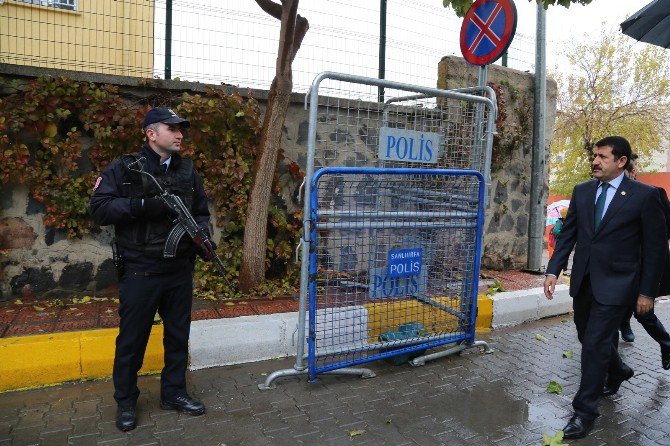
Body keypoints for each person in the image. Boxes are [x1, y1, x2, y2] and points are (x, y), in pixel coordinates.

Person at [90, 107, 211, 432]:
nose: (179, 134)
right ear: (151, 133)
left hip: (179, 270)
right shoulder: (125, 168)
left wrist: (204, 236)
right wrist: (142, 206)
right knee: (132, 340)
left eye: (181, 128)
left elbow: (201, 211)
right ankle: (126, 401)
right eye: (171, 128)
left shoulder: (188, 171)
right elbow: (99, 208)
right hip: (140, 270)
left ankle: (173, 393)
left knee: (177, 337)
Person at [543, 136, 668, 440]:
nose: (595, 161)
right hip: (584, 280)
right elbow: (569, 234)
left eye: (602, 156)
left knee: (596, 344)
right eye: (594, 156)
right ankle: (620, 370)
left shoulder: (645, 195)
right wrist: (552, 269)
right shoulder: (583, 192)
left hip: (619, 284)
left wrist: (647, 292)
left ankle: (584, 412)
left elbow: (655, 250)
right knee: (587, 336)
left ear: (621, 161)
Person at [617, 154, 670, 370]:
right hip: (613, 265)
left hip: (638, 264)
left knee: (641, 310)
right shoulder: (602, 194)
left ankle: (666, 343)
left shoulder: (651, 194)